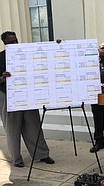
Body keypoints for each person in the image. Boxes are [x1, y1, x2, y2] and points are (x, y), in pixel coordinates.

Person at [0, 31, 54, 167]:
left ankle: (42, 155)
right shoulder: (0, 57)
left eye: (15, 40)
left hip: (28, 96)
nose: (14, 43)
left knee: (34, 125)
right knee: (12, 129)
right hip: (8, 96)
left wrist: (57, 46)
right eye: (10, 42)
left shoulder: (27, 53)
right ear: (4, 43)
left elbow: (44, 59)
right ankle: (16, 159)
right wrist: (2, 77)